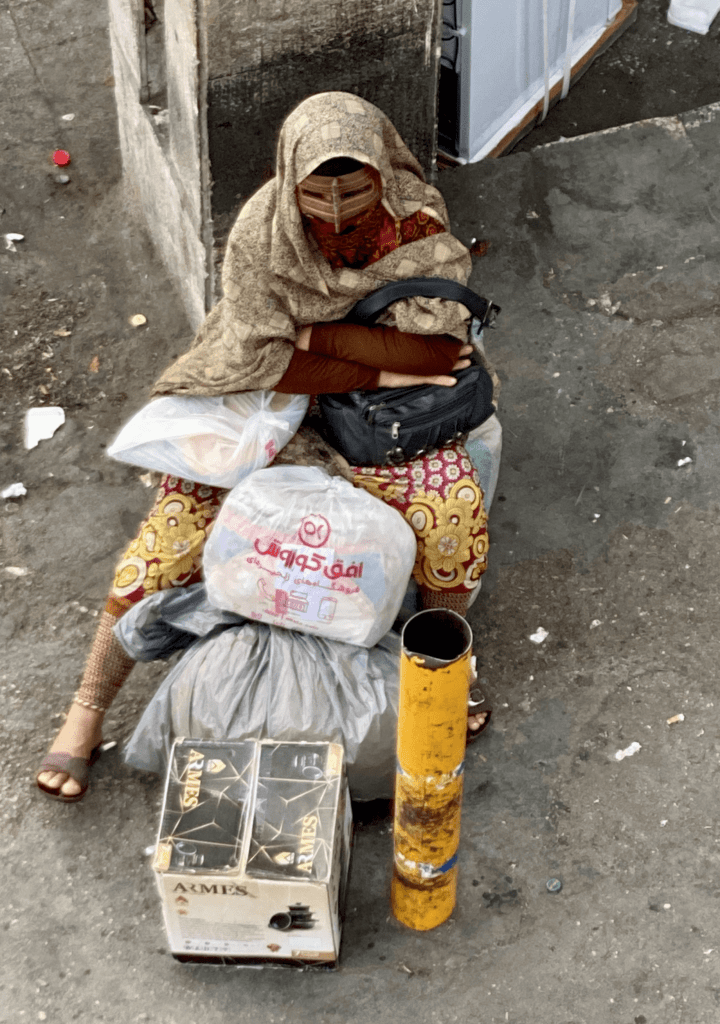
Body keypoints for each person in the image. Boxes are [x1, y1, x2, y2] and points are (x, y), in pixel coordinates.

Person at [36, 92, 492, 802]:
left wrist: (320, 339)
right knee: (170, 538)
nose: (336, 211)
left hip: (378, 420)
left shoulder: (415, 217)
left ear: (382, 170)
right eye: (317, 192)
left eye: (353, 189)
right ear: (289, 179)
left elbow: (435, 344)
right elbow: (261, 358)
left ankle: (443, 669)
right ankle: (86, 711)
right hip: (263, 409)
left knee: (451, 512)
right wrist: (379, 358)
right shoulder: (262, 231)